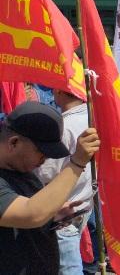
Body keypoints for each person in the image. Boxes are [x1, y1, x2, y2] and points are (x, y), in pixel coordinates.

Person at [0, 102, 100, 274]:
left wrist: (52, 214)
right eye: (42, 152)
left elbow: (28, 212)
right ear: (14, 143)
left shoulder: (22, 170)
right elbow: (30, 213)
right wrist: (77, 163)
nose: (44, 159)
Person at [33, 88, 95, 273]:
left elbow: (45, 173)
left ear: (60, 92)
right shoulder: (90, 118)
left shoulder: (63, 126)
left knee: (68, 267)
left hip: (61, 210)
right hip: (83, 200)